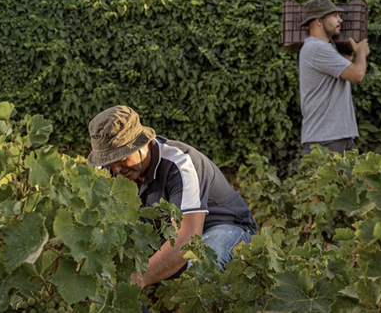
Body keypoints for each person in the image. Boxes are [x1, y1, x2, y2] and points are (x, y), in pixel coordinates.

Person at [87, 106, 257, 289]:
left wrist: (139, 279)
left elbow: (188, 240)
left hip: (223, 228)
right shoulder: (108, 172)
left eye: (122, 160)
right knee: (111, 273)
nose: (116, 171)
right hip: (167, 235)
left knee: (204, 267)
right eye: (109, 163)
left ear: (142, 144)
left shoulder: (180, 163)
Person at [298, 0, 369, 157]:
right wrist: (362, 53)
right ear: (319, 21)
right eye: (335, 16)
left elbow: (343, 68)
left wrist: (350, 52)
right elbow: (357, 74)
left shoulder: (326, 48)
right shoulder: (316, 49)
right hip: (326, 141)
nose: (340, 20)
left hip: (336, 137)